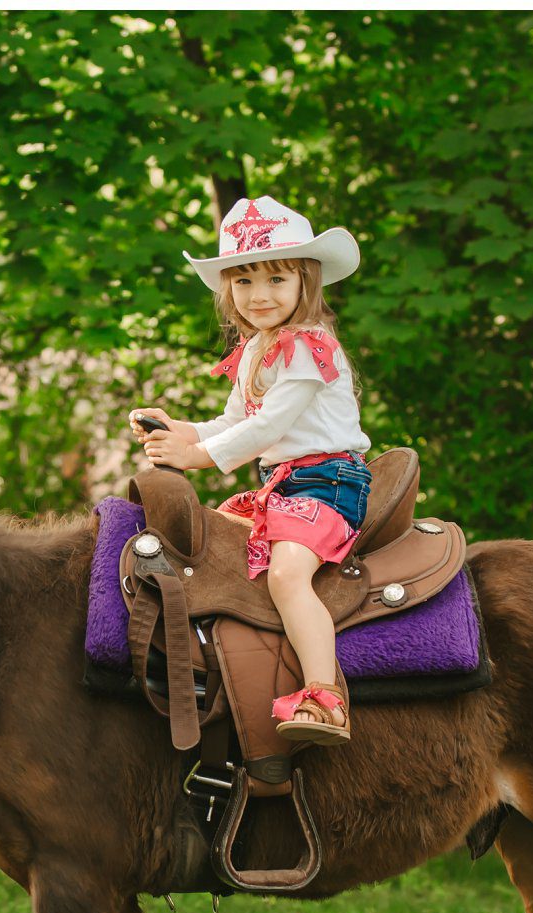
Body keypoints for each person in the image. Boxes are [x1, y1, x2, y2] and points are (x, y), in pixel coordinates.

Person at [129, 196, 371, 745]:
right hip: (281, 484)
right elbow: (234, 421)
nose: (259, 295)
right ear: (228, 291)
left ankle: (325, 694)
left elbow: (265, 431)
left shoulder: (310, 348)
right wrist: (182, 430)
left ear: (305, 283)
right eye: (243, 282)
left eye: (276, 279)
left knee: (287, 574)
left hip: (330, 481)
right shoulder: (258, 349)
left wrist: (194, 458)